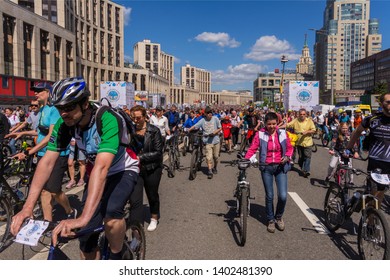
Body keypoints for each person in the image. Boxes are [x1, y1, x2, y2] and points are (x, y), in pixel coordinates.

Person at [11, 77, 143, 260]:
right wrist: (27, 207)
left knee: (111, 215)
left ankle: (117, 256)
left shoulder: (107, 119)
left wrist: (83, 217)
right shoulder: (63, 125)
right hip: (95, 170)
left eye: (69, 107)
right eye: (60, 108)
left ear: (84, 104)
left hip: (122, 169)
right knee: (85, 237)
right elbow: (47, 162)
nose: (64, 114)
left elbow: (102, 168)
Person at [10, 82, 76, 222]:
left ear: (48, 92)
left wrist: (28, 152)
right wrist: (21, 134)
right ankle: (47, 222)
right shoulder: (43, 109)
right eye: (35, 91)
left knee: (53, 190)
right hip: (41, 154)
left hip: (57, 154)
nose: (36, 93)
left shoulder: (54, 110)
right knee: (44, 190)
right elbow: (38, 131)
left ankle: (70, 211)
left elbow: (50, 137)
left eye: (39, 91)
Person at [245, 112, 293, 233]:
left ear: (277, 123)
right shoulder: (260, 134)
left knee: (282, 196)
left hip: (280, 167)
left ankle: (279, 217)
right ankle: (271, 219)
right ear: (265, 124)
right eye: (269, 124)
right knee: (270, 195)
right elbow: (252, 148)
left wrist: (287, 157)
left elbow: (289, 148)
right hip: (266, 167)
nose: (272, 126)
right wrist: (247, 159)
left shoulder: (282, 133)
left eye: (274, 124)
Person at [346, 92, 390, 204]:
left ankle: (370, 211)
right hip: (376, 161)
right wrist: (349, 148)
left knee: (381, 192)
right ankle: (370, 220)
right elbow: (357, 132)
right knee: (374, 193)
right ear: (381, 103)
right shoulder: (373, 119)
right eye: (388, 102)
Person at [130, 105, 164, 232]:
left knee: (152, 194)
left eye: (138, 117)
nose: (135, 120)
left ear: (144, 117)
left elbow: (158, 152)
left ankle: (154, 217)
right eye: (133, 117)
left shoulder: (153, 130)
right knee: (135, 198)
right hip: (135, 169)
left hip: (152, 168)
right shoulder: (130, 130)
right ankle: (136, 225)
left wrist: (140, 157)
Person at [188, 106, 221, 179]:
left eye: (211, 112)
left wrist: (214, 132)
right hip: (207, 142)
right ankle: (210, 171)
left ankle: (215, 167)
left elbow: (220, 128)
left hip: (216, 141)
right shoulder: (203, 120)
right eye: (208, 113)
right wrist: (188, 130)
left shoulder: (215, 119)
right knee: (209, 157)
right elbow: (195, 126)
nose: (210, 114)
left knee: (215, 157)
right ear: (205, 113)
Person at [287, 108, 316, 178]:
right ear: (298, 114)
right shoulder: (296, 120)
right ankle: (302, 166)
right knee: (301, 157)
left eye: (304, 114)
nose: (302, 115)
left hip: (307, 142)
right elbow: (287, 125)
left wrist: (307, 132)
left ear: (306, 114)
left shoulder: (309, 121)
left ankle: (306, 171)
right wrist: (277, 127)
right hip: (299, 143)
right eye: (301, 114)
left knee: (307, 157)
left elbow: (314, 130)